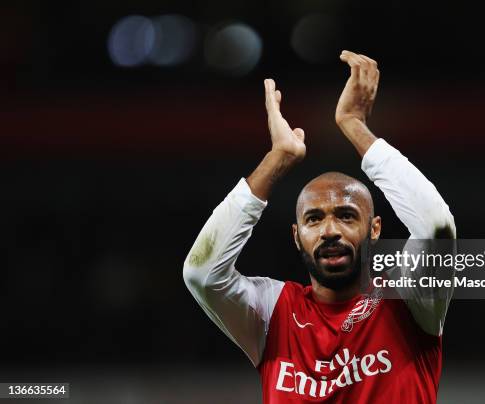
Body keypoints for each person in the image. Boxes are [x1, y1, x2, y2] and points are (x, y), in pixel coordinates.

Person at [183, 50, 456, 403]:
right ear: (297, 236)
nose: (330, 230)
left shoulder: (408, 298)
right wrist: (276, 159)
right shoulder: (271, 312)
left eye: (346, 215)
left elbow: (436, 226)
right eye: (314, 219)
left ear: (373, 230)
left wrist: (354, 124)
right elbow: (201, 273)